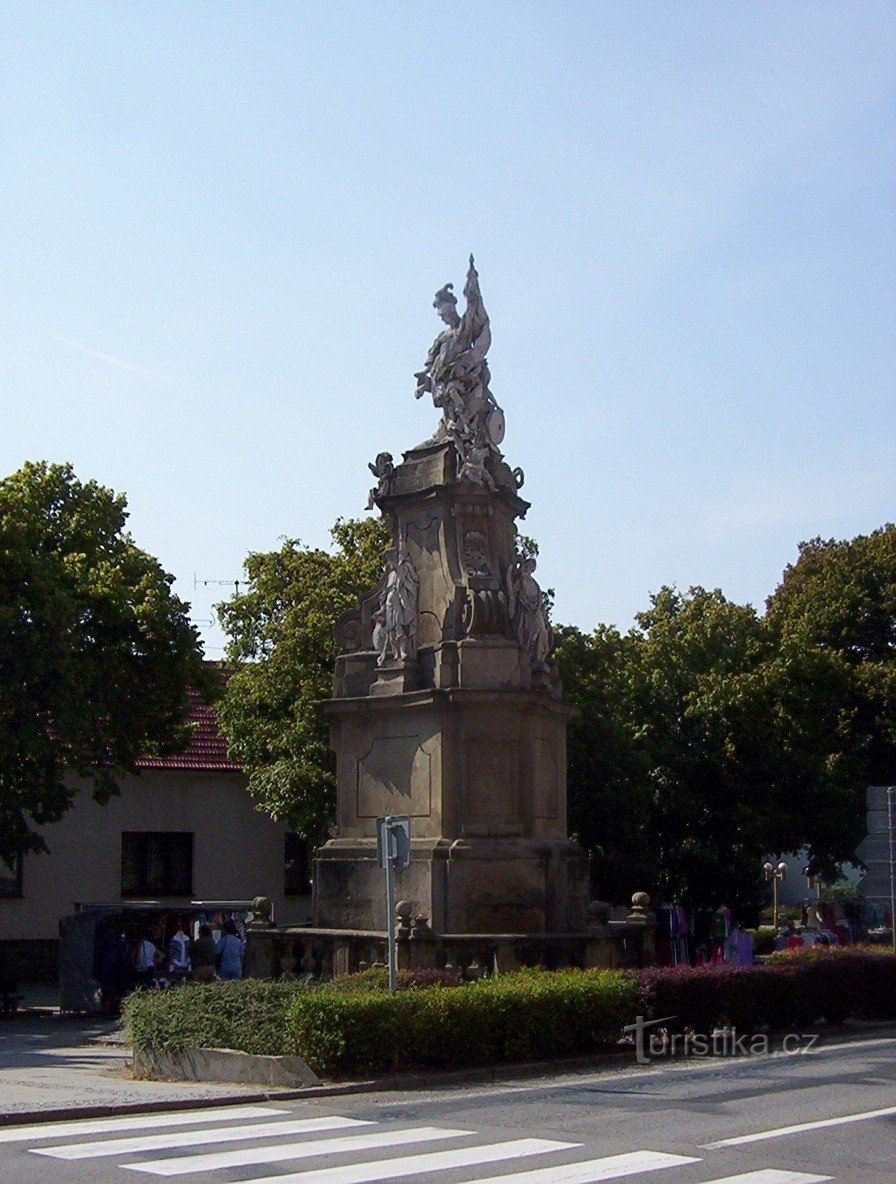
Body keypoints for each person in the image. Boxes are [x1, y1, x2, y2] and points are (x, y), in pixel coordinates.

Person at [168, 916, 191, 982]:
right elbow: (171, 952)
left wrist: (189, 964)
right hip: (176, 964)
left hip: (185, 964)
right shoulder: (174, 939)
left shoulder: (187, 938)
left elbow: (188, 952)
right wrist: (171, 964)